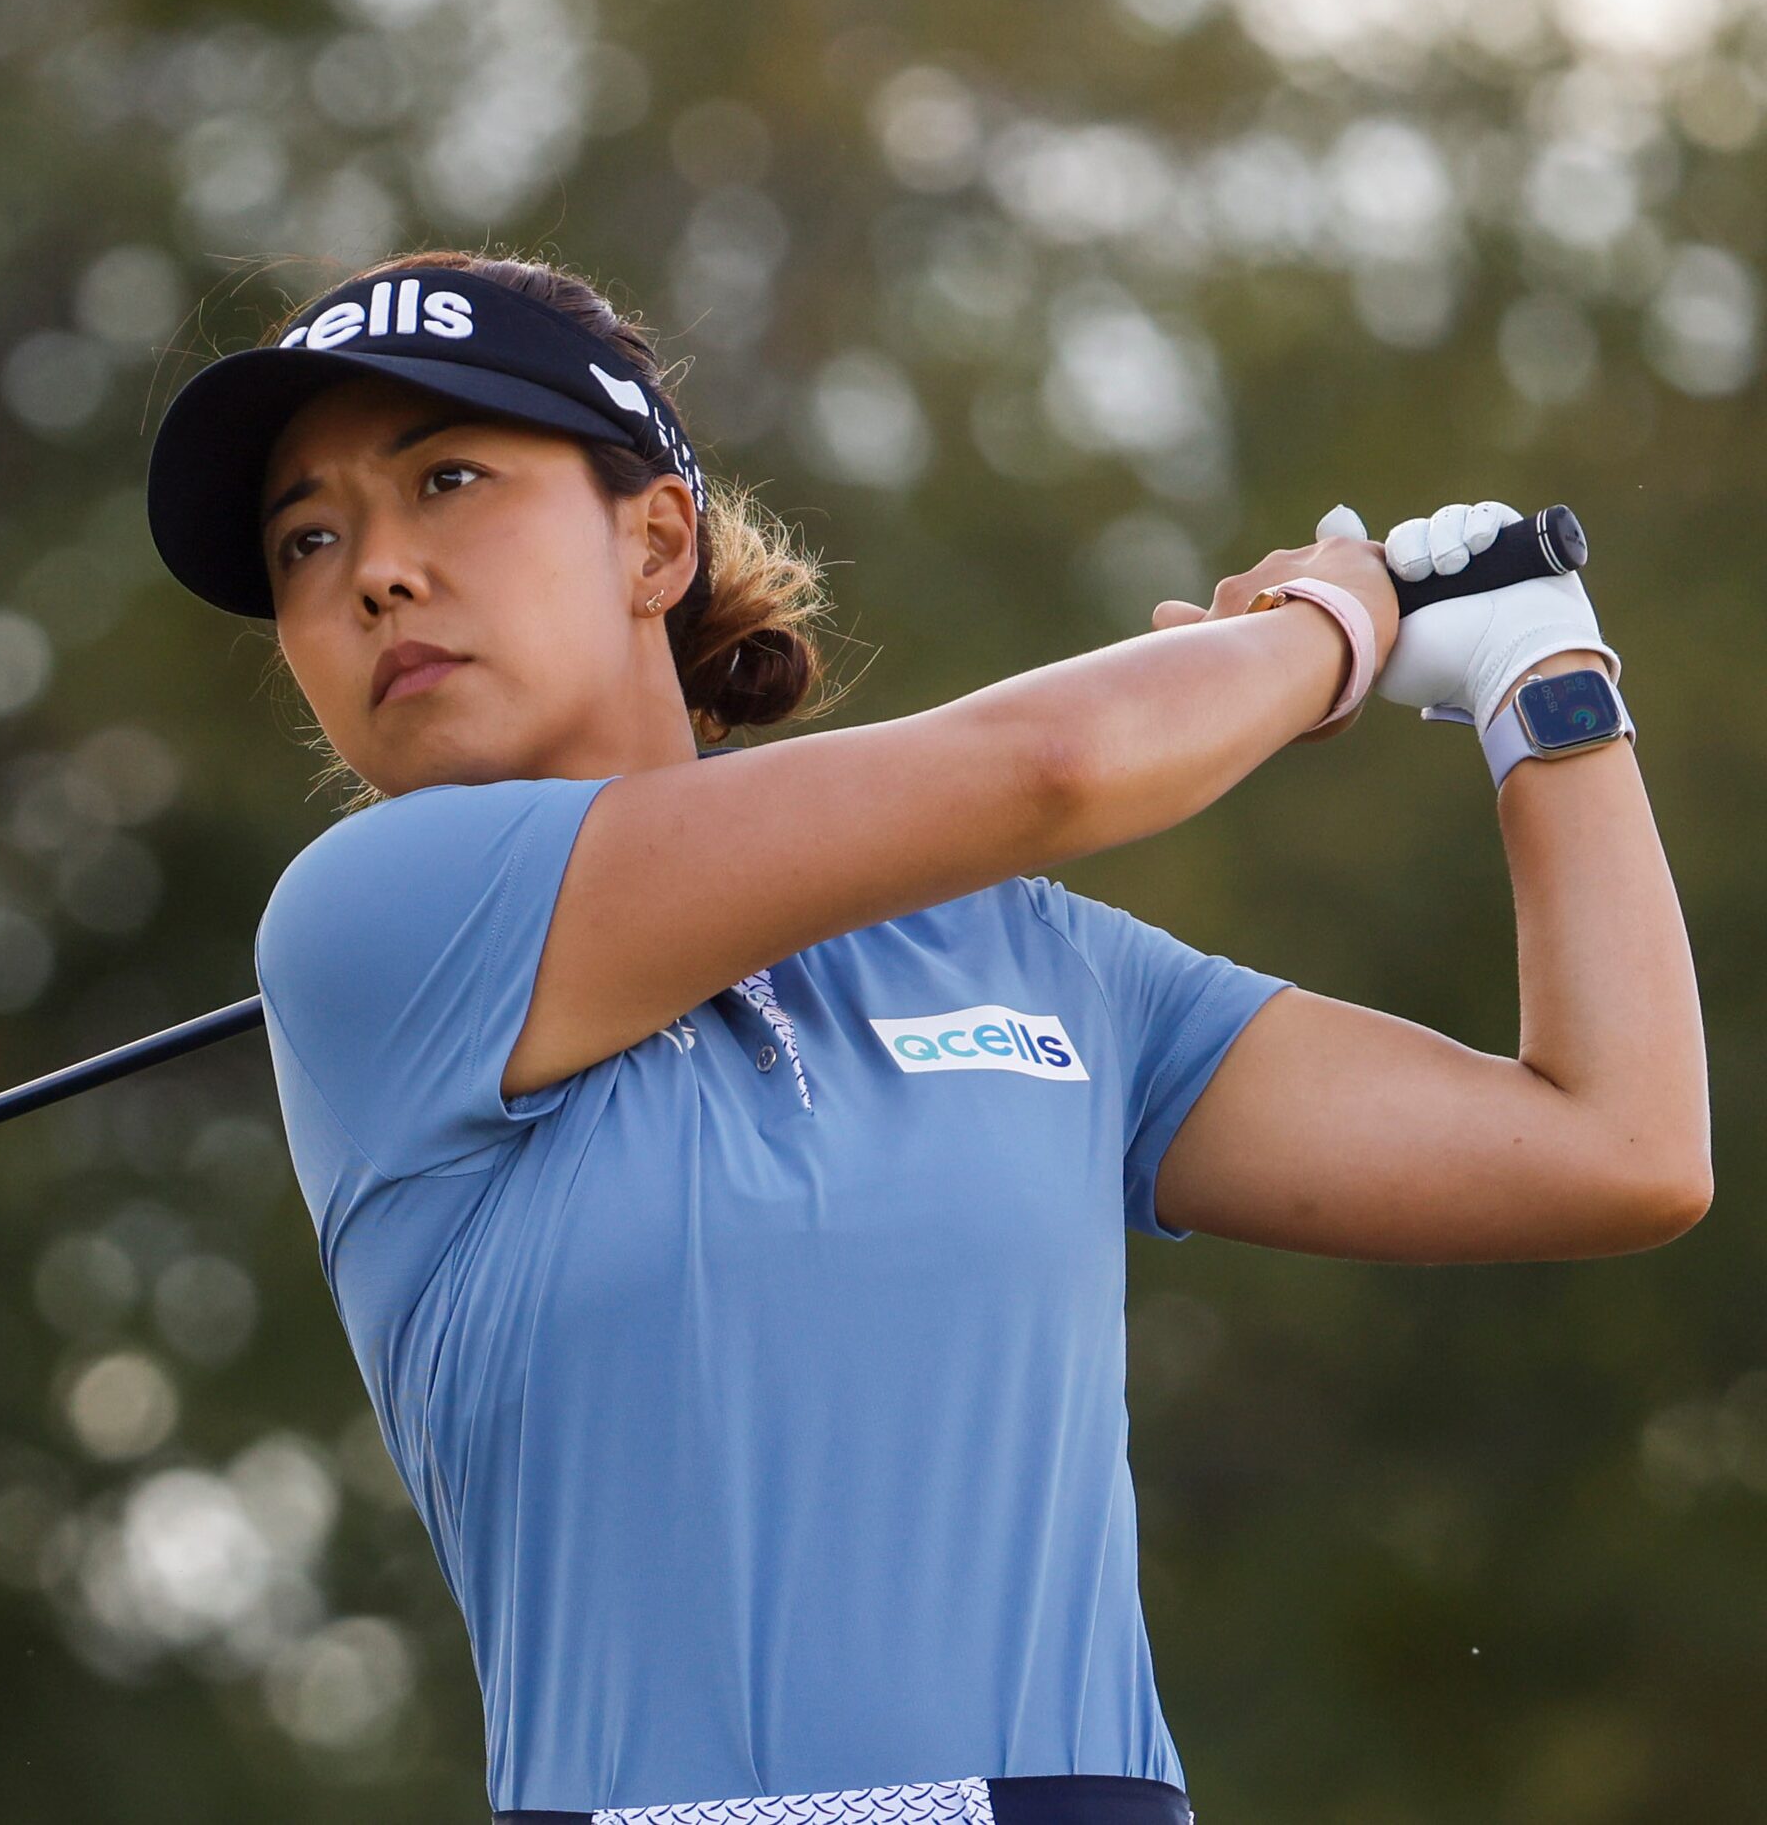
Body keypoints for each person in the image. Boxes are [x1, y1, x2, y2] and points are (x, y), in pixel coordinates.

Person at [139, 250, 1711, 1825]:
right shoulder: (370, 924)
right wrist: (1330, 627)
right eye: (309, 538)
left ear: (656, 537)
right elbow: (1059, 762)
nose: (376, 571)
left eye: (450, 478)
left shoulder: (1022, 953)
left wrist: (1540, 679)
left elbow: (1615, 1145)